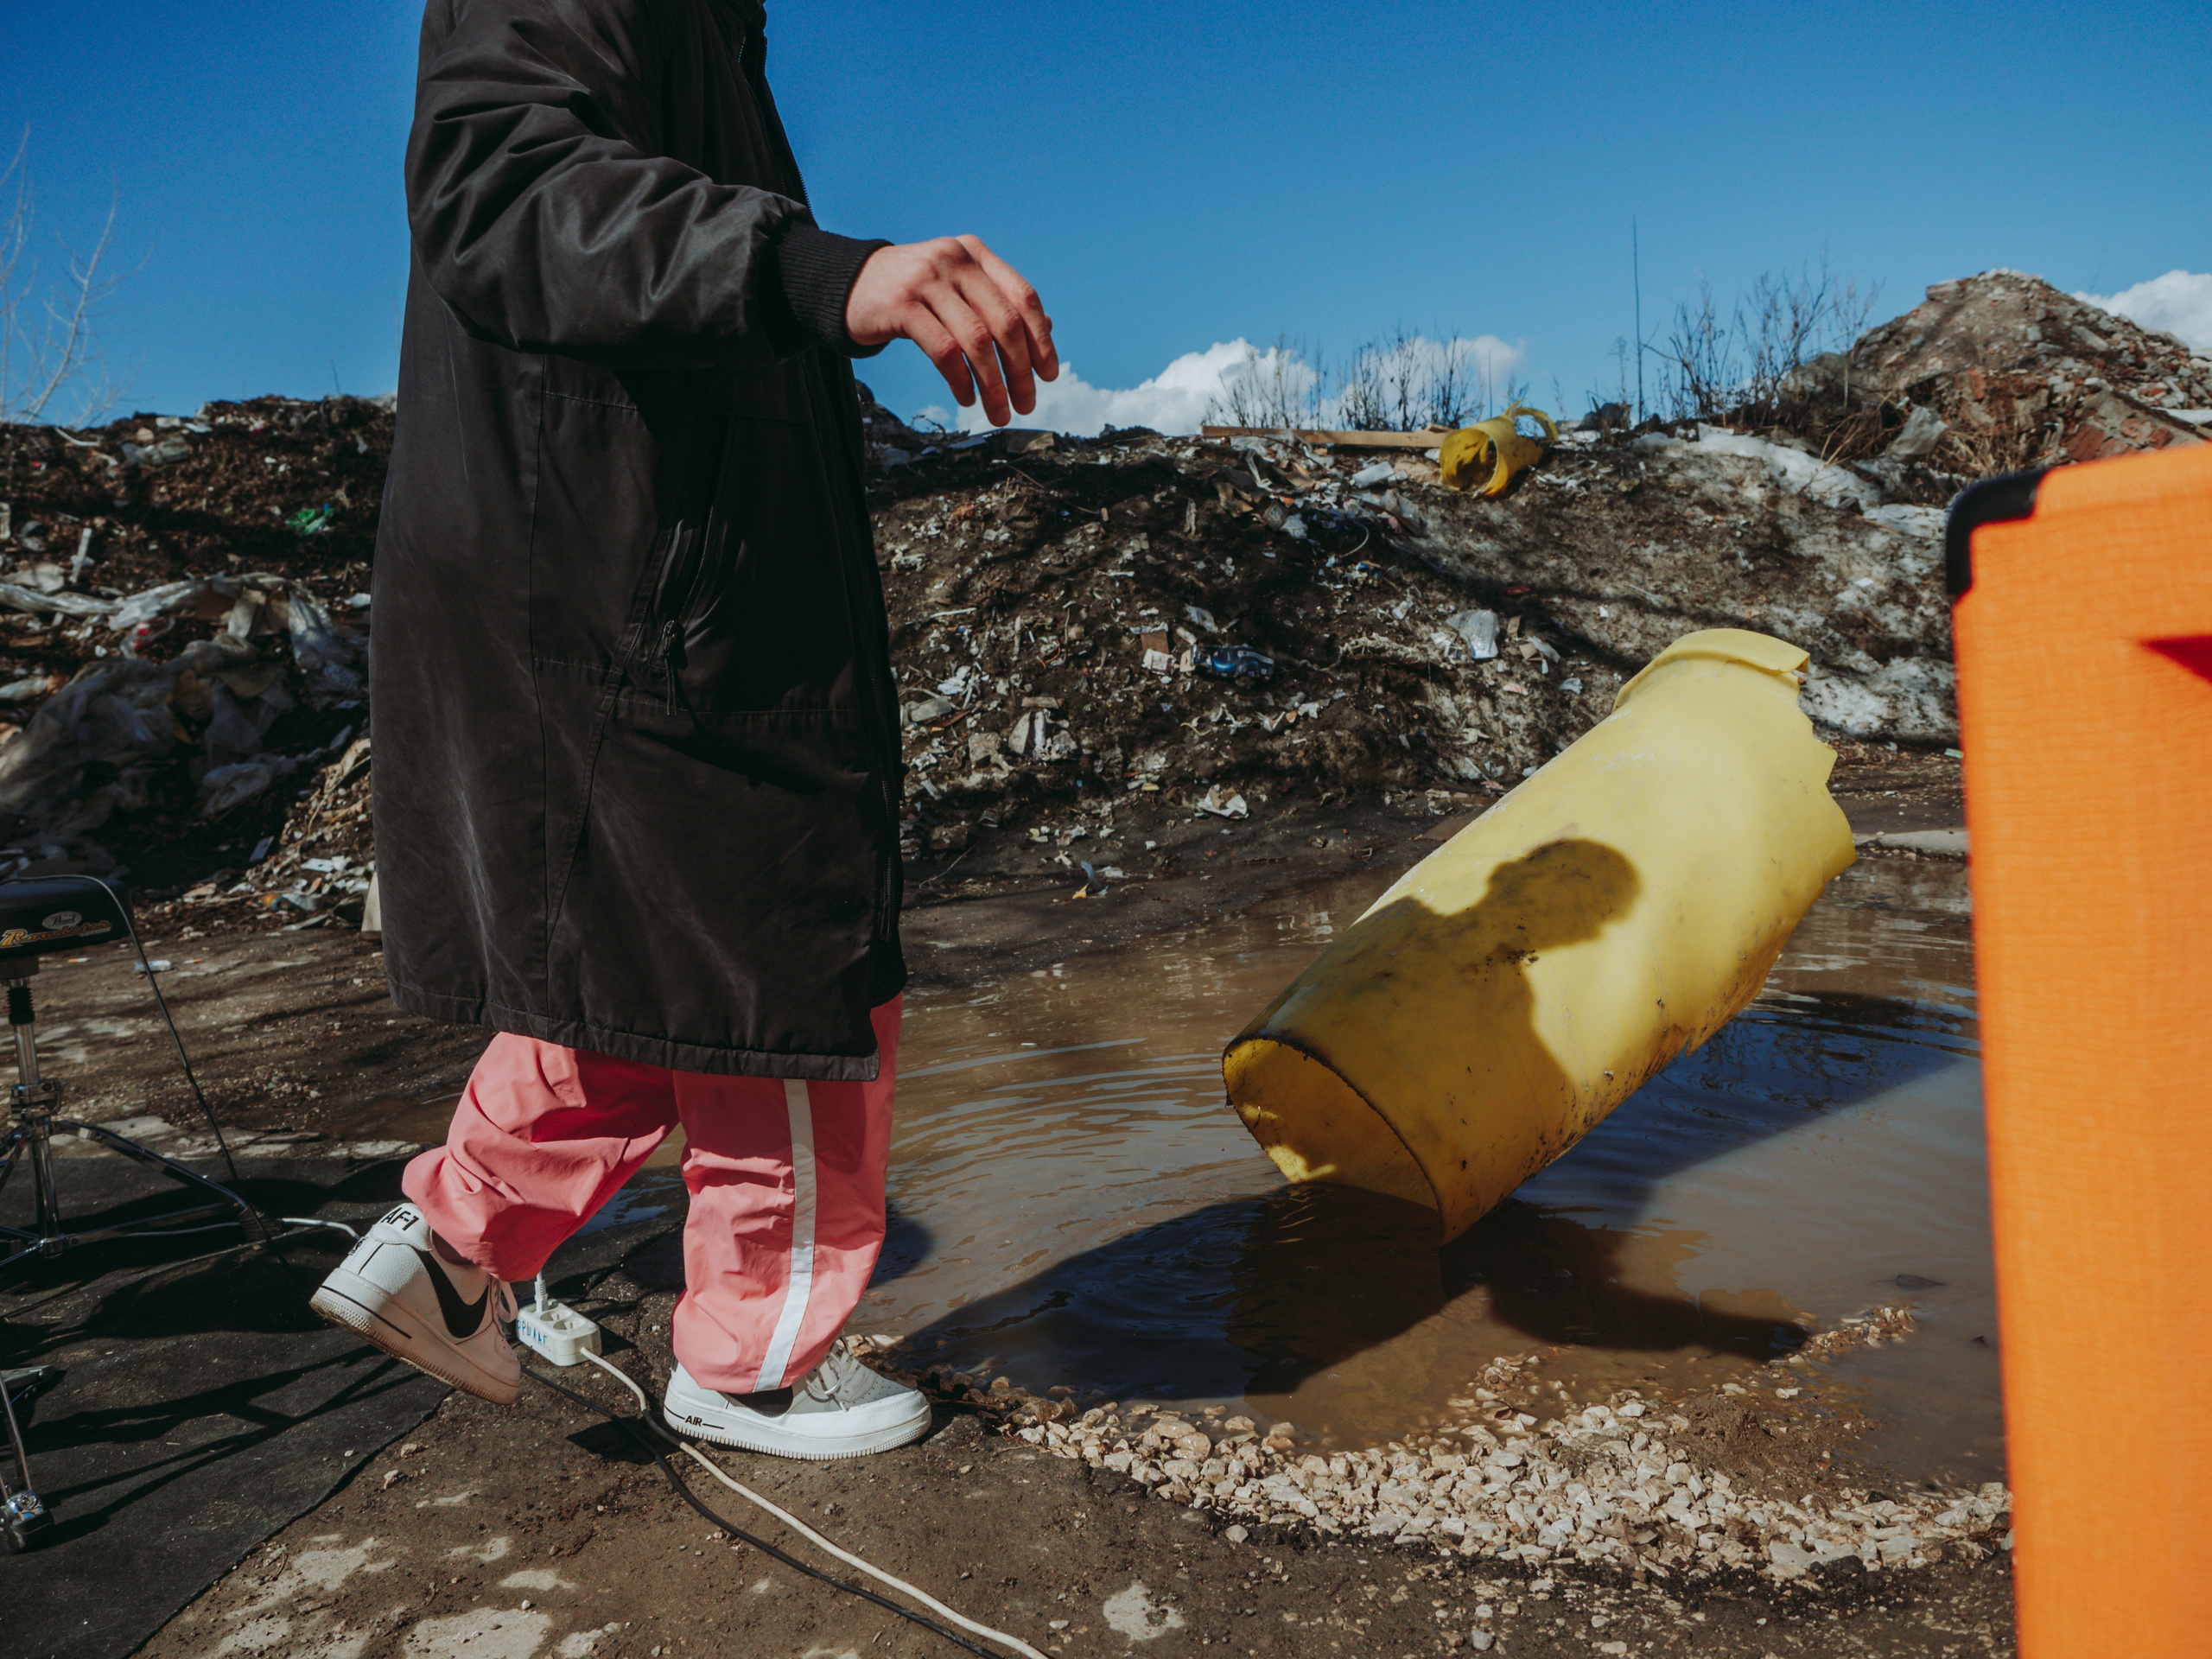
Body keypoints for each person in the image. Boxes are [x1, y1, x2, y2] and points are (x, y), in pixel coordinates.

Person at [310, 0, 1055, 1460]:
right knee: (786, 963)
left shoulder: (708, 32)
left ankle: (452, 1252)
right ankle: (757, 1362)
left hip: (630, 566)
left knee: (657, 955)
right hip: (634, 575)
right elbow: (499, 184)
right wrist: (812, 269)